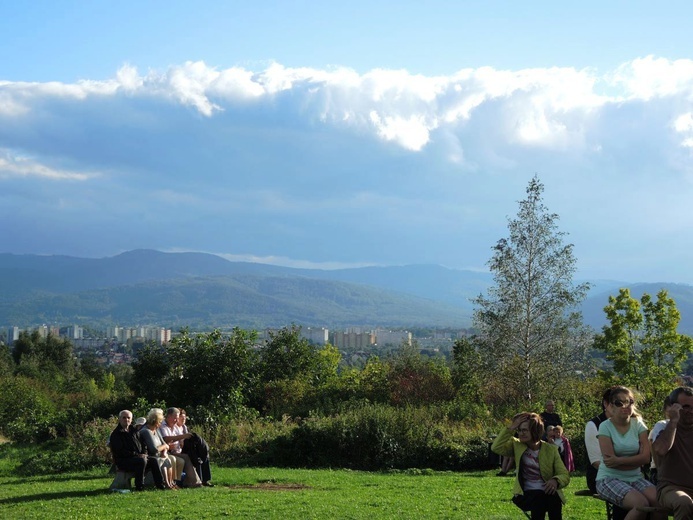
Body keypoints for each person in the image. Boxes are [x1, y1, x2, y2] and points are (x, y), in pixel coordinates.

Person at [596, 386, 663, 520]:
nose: (625, 406)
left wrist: (620, 461)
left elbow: (645, 458)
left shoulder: (638, 424)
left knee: (660, 502)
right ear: (611, 406)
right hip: (609, 478)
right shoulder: (605, 426)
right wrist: (635, 461)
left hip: (636, 478)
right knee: (640, 505)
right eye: (619, 403)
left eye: (629, 401)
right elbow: (610, 463)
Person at [492, 412, 570, 520]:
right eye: (519, 430)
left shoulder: (551, 449)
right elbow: (496, 447)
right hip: (526, 494)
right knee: (539, 499)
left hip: (547, 492)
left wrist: (555, 481)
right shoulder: (517, 446)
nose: (521, 433)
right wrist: (511, 427)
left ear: (535, 430)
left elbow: (564, 474)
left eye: (525, 430)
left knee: (554, 499)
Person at [652, 386, 693, 520]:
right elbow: (661, 449)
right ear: (673, 407)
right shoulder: (664, 426)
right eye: (686, 407)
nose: (691, 411)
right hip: (670, 488)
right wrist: (673, 421)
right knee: (684, 502)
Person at [109, 409, 166, 491]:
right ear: (120, 419)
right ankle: (139, 486)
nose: (126, 420)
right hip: (124, 461)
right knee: (141, 461)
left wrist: (145, 453)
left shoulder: (134, 431)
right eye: (124, 418)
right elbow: (120, 451)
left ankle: (160, 485)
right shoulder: (116, 434)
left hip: (138, 458)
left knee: (153, 460)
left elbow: (143, 444)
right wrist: (137, 455)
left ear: (131, 419)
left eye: (128, 418)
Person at [139, 408, 183, 490]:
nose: (160, 424)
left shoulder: (156, 430)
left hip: (160, 454)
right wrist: (165, 447)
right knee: (166, 460)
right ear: (155, 421)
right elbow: (154, 449)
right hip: (151, 456)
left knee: (168, 459)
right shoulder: (146, 431)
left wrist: (164, 452)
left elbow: (164, 443)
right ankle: (166, 484)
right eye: (159, 422)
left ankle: (171, 483)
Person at [159, 407, 202, 488]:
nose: (176, 420)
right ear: (168, 416)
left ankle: (191, 481)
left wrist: (183, 441)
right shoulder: (163, 426)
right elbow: (166, 438)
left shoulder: (175, 426)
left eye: (177, 418)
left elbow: (181, 439)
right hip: (167, 452)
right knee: (185, 457)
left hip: (177, 451)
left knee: (192, 455)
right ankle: (194, 481)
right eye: (175, 418)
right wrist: (183, 436)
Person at [178, 408, 214, 486]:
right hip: (179, 450)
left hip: (187, 449)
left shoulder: (184, 428)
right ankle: (199, 479)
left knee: (202, 456)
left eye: (184, 417)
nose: (183, 419)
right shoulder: (174, 428)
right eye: (181, 418)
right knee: (194, 456)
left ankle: (205, 479)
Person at [647, 395, 672, 486]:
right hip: (662, 473)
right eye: (671, 405)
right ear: (665, 409)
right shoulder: (661, 425)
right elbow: (655, 451)